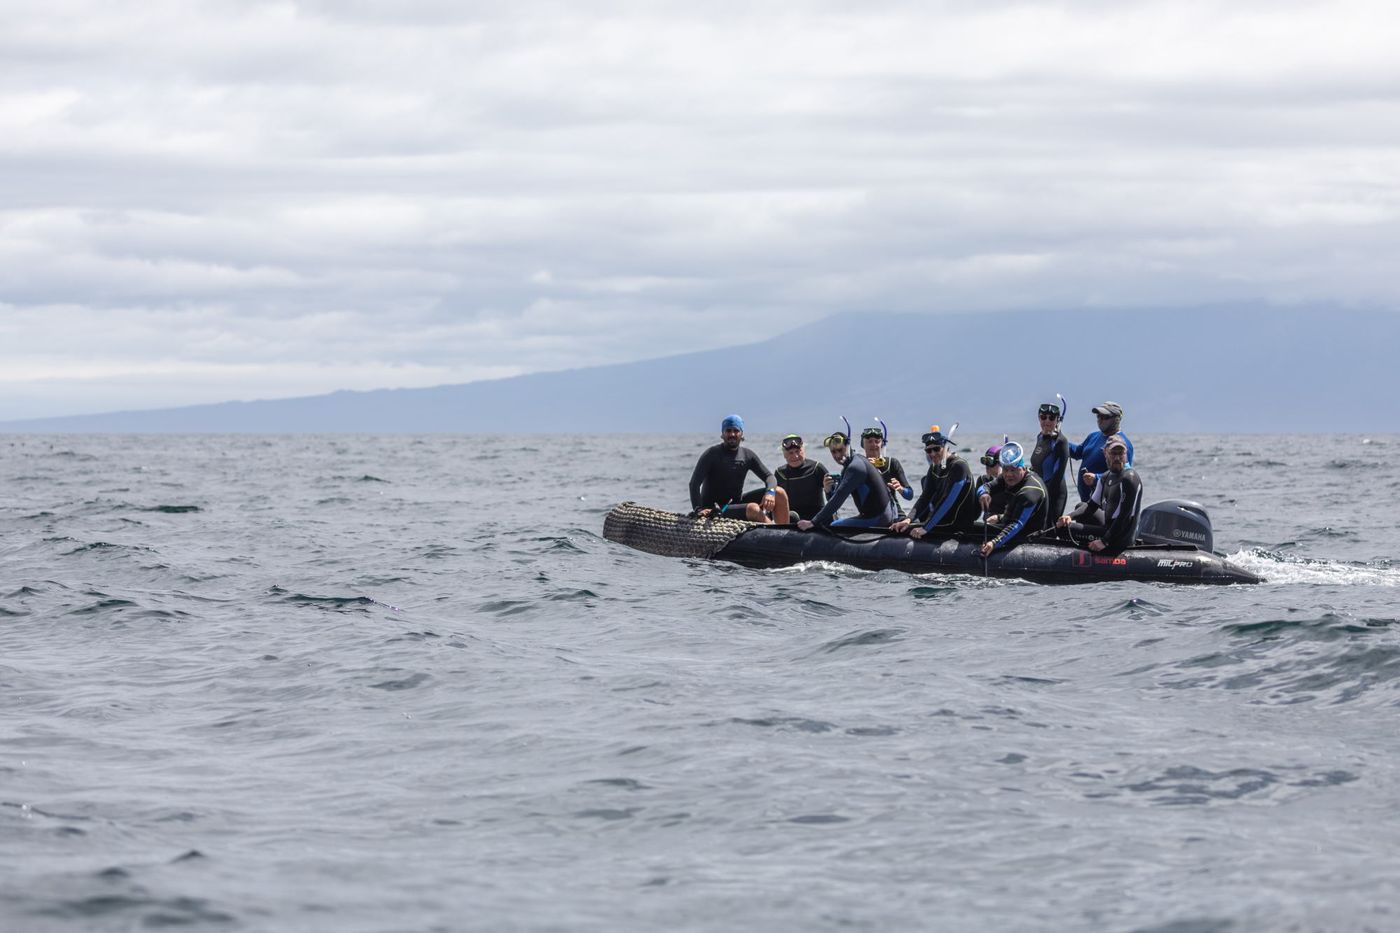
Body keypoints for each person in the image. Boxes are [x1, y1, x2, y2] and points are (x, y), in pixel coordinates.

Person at [688, 414, 790, 523]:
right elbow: (694, 483)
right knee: (753, 509)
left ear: (741, 434)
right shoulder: (712, 454)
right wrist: (698, 509)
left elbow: (769, 477)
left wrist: (770, 493)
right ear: (722, 434)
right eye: (728, 430)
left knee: (779, 492)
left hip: (736, 503)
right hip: (716, 508)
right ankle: (776, 534)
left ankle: (785, 531)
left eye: (736, 430)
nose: (732, 434)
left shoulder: (747, 455)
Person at [1055, 434, 1142, 552]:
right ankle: (1088, 546)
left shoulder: (1129, 478)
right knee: (1080, 507)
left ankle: (1092, 550)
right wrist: (1069, 516)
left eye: (1120, 454)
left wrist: (1104, 541)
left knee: (1064, 530)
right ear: (1105, 453)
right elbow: (1091, 505)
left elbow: (1124, 517)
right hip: (1109, 527)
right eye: (1113, 453)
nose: (1117, 458)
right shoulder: (1106, 477)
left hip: (1121, 537)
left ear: (1125, 454)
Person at [797, 431, 898, 530]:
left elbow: (839, 498)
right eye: (833, 452)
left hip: (879, 518)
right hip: (884, 514)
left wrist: (813, 522)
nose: (837, 455)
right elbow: (835, 498)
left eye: (840, 450)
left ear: (848, 446)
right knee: (830, 521)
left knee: (835, 526)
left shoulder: (855, 467)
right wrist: (828, 491)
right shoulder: (852, 464)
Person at [891, 427, 980, 538]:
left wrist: (925, 528)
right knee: (900, 527)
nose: (932, 454)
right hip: (942, 522)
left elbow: (947, 500)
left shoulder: (959, 466)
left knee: (906, 531)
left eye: (937, 449)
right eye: (928, 450)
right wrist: (908, 519)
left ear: (945, 447)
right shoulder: (934, 468)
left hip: (958, 525)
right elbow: (925, 498)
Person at [977, 442, 1048, 557]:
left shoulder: (1030, 490)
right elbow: (986, 486)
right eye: (1005, 470)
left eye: (1013, 470)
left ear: (1023, 468)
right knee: (976, 527)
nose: (1009, 475)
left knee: (976, 530)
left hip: (1027, 537)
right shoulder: (1006, 477)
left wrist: (994, 543)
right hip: (1009, 526)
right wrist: (984, 494)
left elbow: (1017, 524)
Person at [1069, 401, 1135, 501]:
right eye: (1098, 416)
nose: (1100, 420)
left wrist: (1096, 478)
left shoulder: (1123, 445)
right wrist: (1060, 440)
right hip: (1087, 502)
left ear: (1117, 419)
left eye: (1105, 417)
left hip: (1105, 503)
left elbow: (1123, 475)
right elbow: (1077, 452)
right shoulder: (1093, 436)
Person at [1031, 402, 1071, 526]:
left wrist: (1044, 496)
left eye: (1051, 418)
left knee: (1048, 528)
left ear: (1057, 420)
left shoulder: (1061, 442)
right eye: (1043, 417)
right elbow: (1037, 465)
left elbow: (1058, 475)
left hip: (1055, 492)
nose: (1047, 421)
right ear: (1039, 418)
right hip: (1040, 490)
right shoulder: (1039, 437)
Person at [860, 425, 913, 518]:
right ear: (862, 444)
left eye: (877, 441)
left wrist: (901, 489)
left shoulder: (892, 463)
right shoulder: (858, 465)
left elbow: (910, 495)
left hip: (896, 516)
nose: (873, 444)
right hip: (869, 517)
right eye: (869, 441)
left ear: (882, 444)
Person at [774, 434, 829, 521]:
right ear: (784, 455)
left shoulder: (817, 468)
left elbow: (834, 495)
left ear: (804, 451)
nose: (795, 456)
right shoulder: (780, 473)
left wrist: (828, 490)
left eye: (798, 451)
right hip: (793, 519)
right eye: (790, 453)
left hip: (817, 518)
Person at [975, 444, 1010, 519]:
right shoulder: (982, 480)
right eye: (985, 461)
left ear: (1001, 463)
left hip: (1006, 523)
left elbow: (1017, 514)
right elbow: (975, 511)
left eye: (990, 462)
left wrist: (999, 518)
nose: (987, 466)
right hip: (988, 524)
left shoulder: (1012, 482)